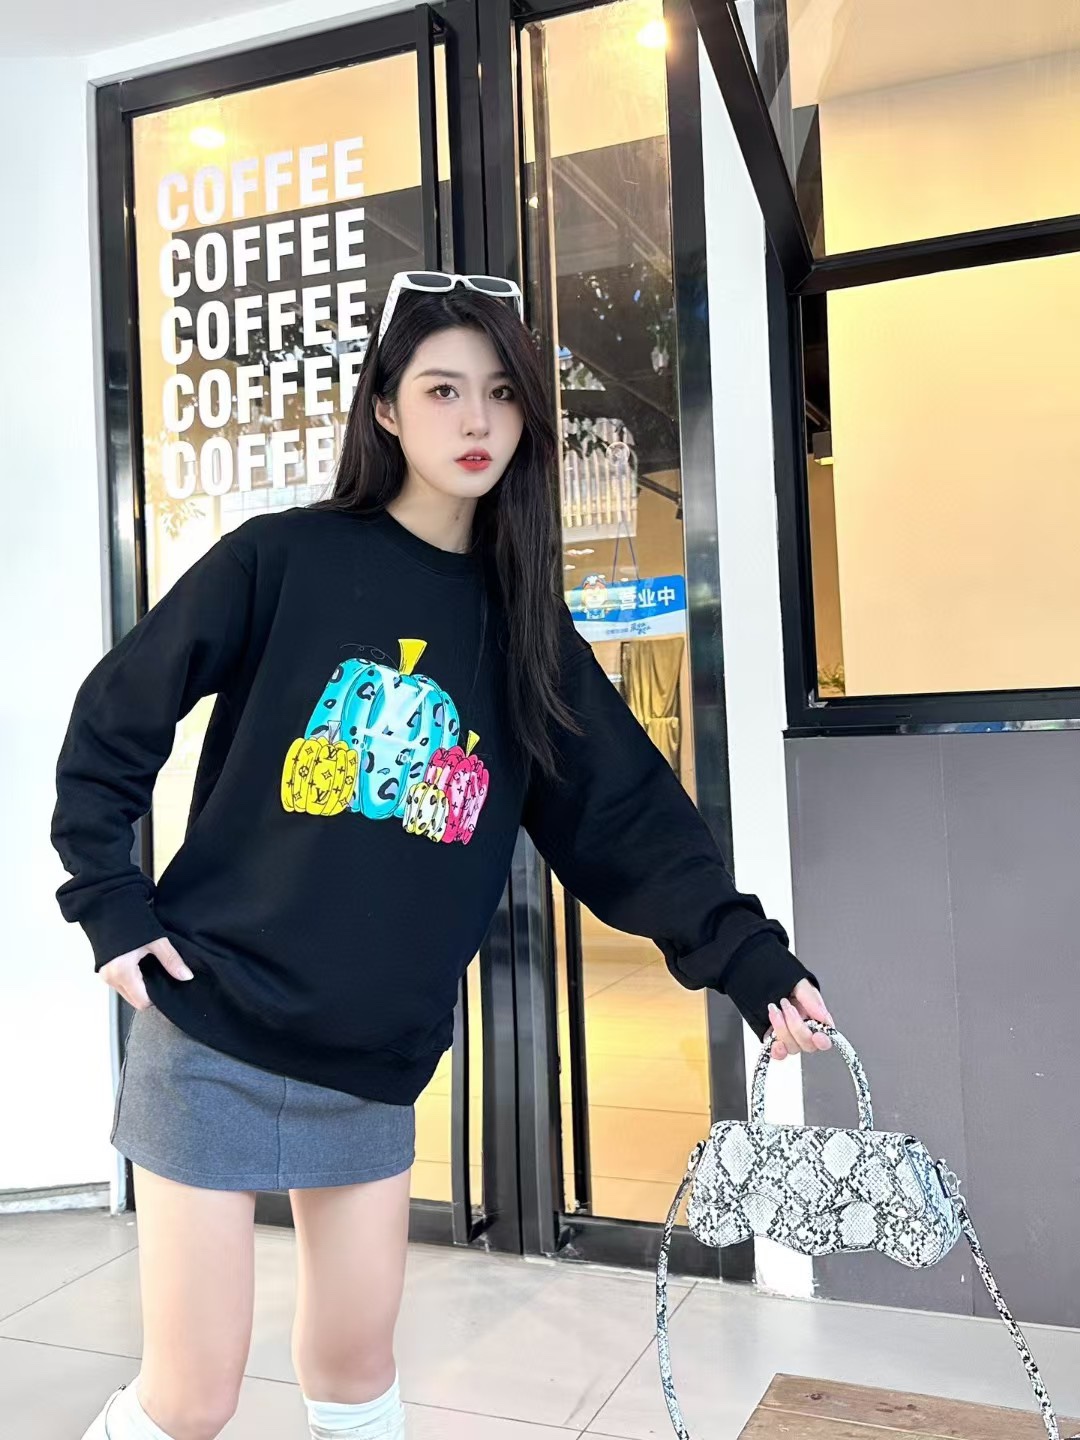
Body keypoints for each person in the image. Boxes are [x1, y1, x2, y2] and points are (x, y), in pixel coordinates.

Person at [51, 272, 834, 1440]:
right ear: (385, 408)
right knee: (194, 1396)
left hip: (372, 1054)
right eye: (442, 389)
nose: (477, 420)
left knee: (357, 1372)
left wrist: (747, 958)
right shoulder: (282, 560)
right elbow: (116, 717)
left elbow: (625, 817)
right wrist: (110, 905)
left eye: (503, 394)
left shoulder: (525, 632)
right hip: (211, 1029)